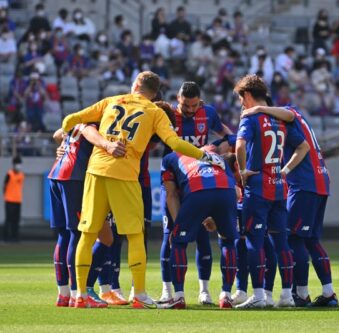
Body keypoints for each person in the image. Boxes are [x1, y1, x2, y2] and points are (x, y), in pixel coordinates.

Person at [60, 71, 225, 309]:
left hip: (95, 172)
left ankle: (80, 296)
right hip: (124, 175)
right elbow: (175, 143)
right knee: (135, 235)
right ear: (156, 93)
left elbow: (70, 120)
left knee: (87, 234)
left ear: (135, 84)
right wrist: (204, 156)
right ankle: (139, 295)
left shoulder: (111, 101)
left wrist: (66, 142)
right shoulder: (155, 111)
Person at [239, 104, 339, 307]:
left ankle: (301, 294)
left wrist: (259, 109)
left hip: (303, 184)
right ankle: (327, 292)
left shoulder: (285, 114)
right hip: (320, 182)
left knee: (293, 238)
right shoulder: (295, 121)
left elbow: (289, 115)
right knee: (310, 238)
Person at [233, 74, 310, 308]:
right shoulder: (280, 120)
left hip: (257, 189)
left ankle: (257, 295)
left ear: (246, 95)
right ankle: (286, 295)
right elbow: (303, 146)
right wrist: (285, 170)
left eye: (241, 99)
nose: (241, 105)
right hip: (279, 189)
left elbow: (239, 145)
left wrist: (243, 171)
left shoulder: (250, 118)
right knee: (281, 243)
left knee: (254, 242)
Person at [158, 82, 232, 305]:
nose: (189, 110)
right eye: (184, 105)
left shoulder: (208, 112)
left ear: (200, 101)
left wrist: (227, 146)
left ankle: (204, 291)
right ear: (177, 100)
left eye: (193, 105)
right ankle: (167, 290)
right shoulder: (167, 115)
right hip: (173, 178)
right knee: (170, 234)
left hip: (197, 180)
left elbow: (228, 134)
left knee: (202, 236)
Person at [49, 124, 125, 308]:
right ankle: (79, 294)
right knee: (78, 234)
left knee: (67, 235)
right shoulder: (98, 125)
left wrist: (63, 145)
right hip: (75, 178)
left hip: (56, 175)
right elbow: (89, 135)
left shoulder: (79, 121)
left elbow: (57, 133)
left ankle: (64, 295)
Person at [162, 146, 239, 309]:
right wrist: (212, 217)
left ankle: (178, 297)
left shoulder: (170, 157)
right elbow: (231, 187)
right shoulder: (214, 156)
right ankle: (226, 295)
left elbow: (171, 194)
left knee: (178, 242)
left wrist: (178, 226)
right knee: (228, 241)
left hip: (197, 190)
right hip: (226, 191)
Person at [3, 155, 24, 243]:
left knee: (16, 220)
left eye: (19, 163)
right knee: (9, 220)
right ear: (14, 164)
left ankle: (15, 238)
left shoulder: (21, 175)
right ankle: (7, 238)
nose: (18, 165)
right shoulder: (9, 174)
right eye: (17, 163)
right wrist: (6, 196)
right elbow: (4, 186)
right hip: (9, 200)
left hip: (18, 200)